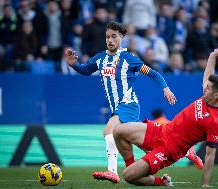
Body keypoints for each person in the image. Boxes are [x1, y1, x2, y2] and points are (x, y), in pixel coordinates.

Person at [65, 21, 176, 184]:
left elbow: (152, 74)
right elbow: (85, 70)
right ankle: (164, 178)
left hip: (128, 105)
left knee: (108, 131)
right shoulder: (100, 59)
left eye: (114, 36)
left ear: (122, 38)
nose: (110, 40)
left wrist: (165, 88)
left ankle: (112, 172)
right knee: (143, 143)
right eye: (107, 37)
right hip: (117, 108)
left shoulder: (129, 59)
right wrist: (73, 64)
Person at [113, 47, 218, 186]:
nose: (205, 88)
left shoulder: (214, 121)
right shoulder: (208, 97)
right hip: (163, 130)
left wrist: (205, 184)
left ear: (217, 95)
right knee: (118, 131)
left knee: (128, 176)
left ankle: (160, 182)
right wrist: (212, 56)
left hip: (170, 149)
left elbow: (210, 155)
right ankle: (132, 166)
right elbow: (208, 76)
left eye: (209, 88)